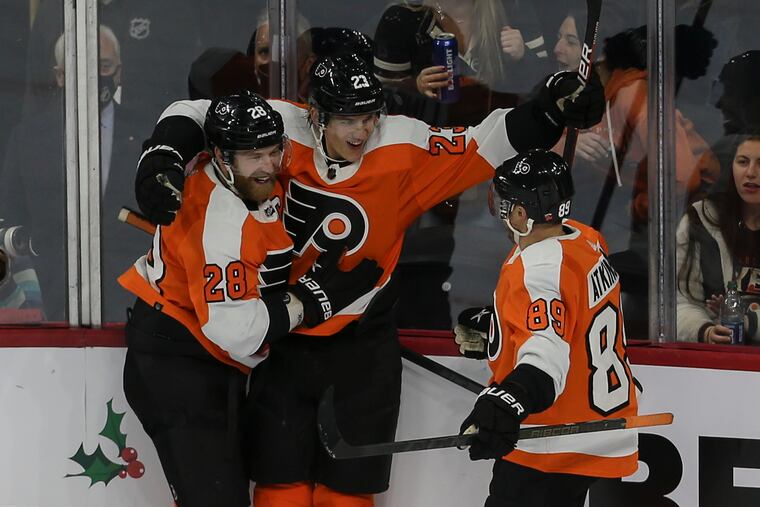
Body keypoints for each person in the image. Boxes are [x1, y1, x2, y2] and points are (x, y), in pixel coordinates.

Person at [131, 53, 604, 506]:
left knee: (349, 488)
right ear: (315, 114)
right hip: (281, 342)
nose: (361, 132)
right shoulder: (278, 131)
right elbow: (196, 113)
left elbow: (488, 141)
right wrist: (163, 154)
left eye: (368, 117)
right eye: (345, 119)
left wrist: (550, 110)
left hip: (360, 345)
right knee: (278, 483)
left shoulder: (402, 146)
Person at [119, 91, 381, 507]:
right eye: (254, 156)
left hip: (206, 362)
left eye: (274, 152)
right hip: (179, 367)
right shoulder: (222, 223)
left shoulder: (238, 162)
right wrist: (310, 302)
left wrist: (166, 147)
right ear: (222, 157)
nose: (268, 166)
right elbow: (237, 332)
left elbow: (198, 108)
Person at [455, 149, 639, 507]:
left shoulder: (537, 270)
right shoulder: (587, 239)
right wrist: (502, 335)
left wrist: (509, 400)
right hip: (599, 420)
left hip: (552, 438)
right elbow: (572, 319)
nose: (500, 213)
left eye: (503, 205)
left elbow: (545, 354)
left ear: (521, 214)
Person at [677, 134, 760, 344]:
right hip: (713, 362)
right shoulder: (700, 220)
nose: (751, 173)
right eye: (742, 162)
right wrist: (705, 331)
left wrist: (747, 321)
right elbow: (678, 301)